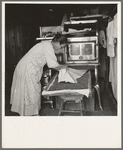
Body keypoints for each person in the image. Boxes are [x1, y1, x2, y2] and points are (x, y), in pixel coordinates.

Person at [10, 33, 68, 116]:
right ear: (58, 43)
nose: (60, 49)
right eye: (61, 47)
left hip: (26, 68)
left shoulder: (47, 44)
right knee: (31, 93)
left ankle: (31, 114)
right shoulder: (48, 46)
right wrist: (64, 67)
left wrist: (61, 66)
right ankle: (29, 115)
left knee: (31, 92)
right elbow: (52, 65)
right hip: (27, 70)